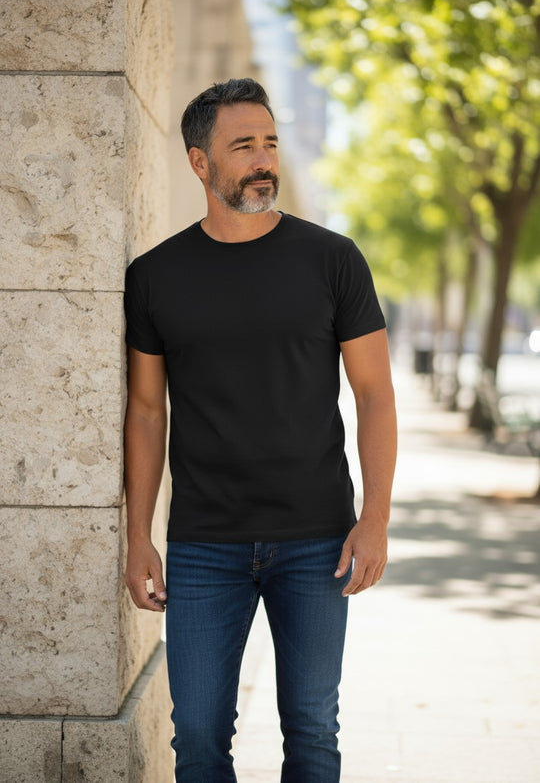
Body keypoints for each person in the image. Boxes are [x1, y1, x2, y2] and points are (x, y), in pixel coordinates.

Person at [124, 77, 397, 783]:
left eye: (269, 142)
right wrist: (136, 537)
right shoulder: (155, 277)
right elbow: (148, 411)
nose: (263, 159)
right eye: (242, 145)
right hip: (202, 544)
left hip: (317, 541)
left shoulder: (334, 261)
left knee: (311, 733)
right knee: (200, 739)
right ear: (199, 162)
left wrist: (375, 519)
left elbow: (374, 394)